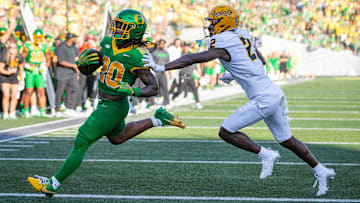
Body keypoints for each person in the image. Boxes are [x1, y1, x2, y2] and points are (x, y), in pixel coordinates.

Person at [143, 5, 335, 196]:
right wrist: (233, 72)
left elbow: (196, 58)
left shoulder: (223, 39)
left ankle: (266, 154)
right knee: (287, 139)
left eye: (214, 23)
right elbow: (261, 62)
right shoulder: (242, 33)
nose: (210, 27)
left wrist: (162, 68)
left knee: (226, 131)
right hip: (273, 92)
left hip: (263, 98)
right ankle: (320, 169)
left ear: (223, 23)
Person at [27, 9, 185, 198]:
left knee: (82, 139)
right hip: (106, 102)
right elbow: (95, 65)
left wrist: (132, 90)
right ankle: (157, 120)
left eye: (122, 27)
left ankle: (53, 184)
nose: (117, 29)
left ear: (134, 31)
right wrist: (84, 66)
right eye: (117, 25)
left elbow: (153, 87)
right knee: (118, 138)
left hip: (113, 106)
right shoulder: (108, 43)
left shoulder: (137, 55)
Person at [21, 29, 51, 118]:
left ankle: (42, 111)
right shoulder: (28, 45)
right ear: (33, 37)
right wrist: (25, 65)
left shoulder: (45, 46)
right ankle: (26, 110)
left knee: (41, 91)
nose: (38, 39)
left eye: (39, 37)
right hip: (30, 70)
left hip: (39, 71)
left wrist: (44, 66)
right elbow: (22, 57)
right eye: (36, 37)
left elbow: (48, 59)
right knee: (28, 91)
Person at [53, 32, 81, 117]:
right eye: (74, 38)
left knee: (76, 89)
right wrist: (74, 66)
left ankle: (70, 108)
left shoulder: (74, 47)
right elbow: (61, 61)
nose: (75, 39)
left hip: (72, 73)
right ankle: (57, 109)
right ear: (70, 38)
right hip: (62, 72)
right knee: (60, 91)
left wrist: (78, 70)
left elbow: (77, 59)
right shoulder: (61, 47)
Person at [172, 42, 202, 109]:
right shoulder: (181, 54)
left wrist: (196, 71)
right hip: (183, 75)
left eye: (187, 46)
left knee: (195, 89)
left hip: (190, 75)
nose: (186, 47)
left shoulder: (190, 54)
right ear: (183, 47)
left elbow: (193, 64)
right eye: (185, 46)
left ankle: (197, 103)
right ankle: (173, 98)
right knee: (180, 90)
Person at [0, 36, 23, 119]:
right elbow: (0, 69)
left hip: (15, 78)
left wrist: (21, 79)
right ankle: (5, 113)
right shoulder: (4, 56)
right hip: (5, 78)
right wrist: (8, 72)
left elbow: (21, 68)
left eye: (14, 48)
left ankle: (12, 113)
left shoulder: (19, 57)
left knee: (14, 95)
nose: (12, 50)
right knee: (6, 95)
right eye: (10, 48)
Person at [151, 39, 170, 106]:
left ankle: (166, 103)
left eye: (164, 44)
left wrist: (167, 71)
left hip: (163, 72)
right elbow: (151, 63)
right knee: (153, 87)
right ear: (159, 44)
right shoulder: (154, 53)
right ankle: (151, 104)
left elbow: (167, 62)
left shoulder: (166, 53)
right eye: (161, 44)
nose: (162, 45)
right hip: (156, 73)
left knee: (165, 87)